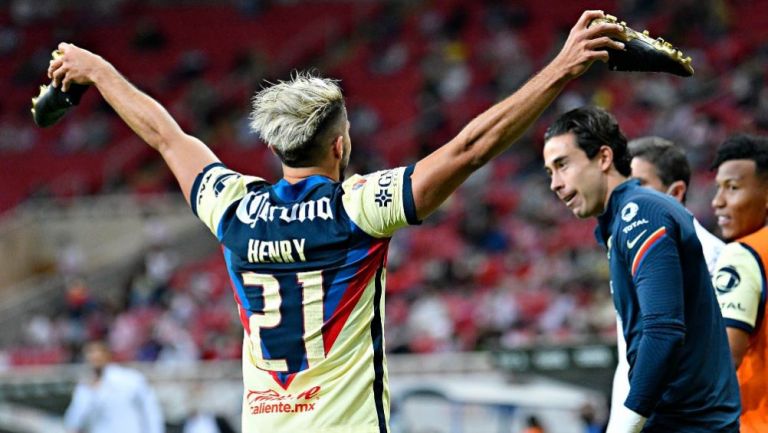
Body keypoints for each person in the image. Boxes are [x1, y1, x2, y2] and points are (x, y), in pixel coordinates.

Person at [47, 10, 625, 433]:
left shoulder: (231, 206)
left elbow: (166, 136)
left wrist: (97, 70)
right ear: (342, 145)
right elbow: (470, 149)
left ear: (276, 150)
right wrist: (563, 67)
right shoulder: (358, 209)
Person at [542, 106, 740, 433]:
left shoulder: (641, 211)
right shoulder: (622, 221)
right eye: (550, 172)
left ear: (604, 157)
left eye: (562, 165)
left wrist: (627, 425)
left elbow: (663, 331)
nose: (555, 184)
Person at [710, 134, 768, 433]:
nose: (717, 201)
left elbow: (724, 358)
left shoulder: (743, 254)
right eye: (718, 188)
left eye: (732, 188)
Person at [628, 136, 724, 274]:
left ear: (676, 192)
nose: (627, 195)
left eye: (639, 184)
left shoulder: (712, 260)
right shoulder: (630, 250)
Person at [64, 340, 165, 433]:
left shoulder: (130, 379)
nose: (95, 356)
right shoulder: (84, 389)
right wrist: (88, 394)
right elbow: (73, 423)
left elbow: (150, 411)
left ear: (108, 354)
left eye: (99, 351)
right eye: (90, 352)